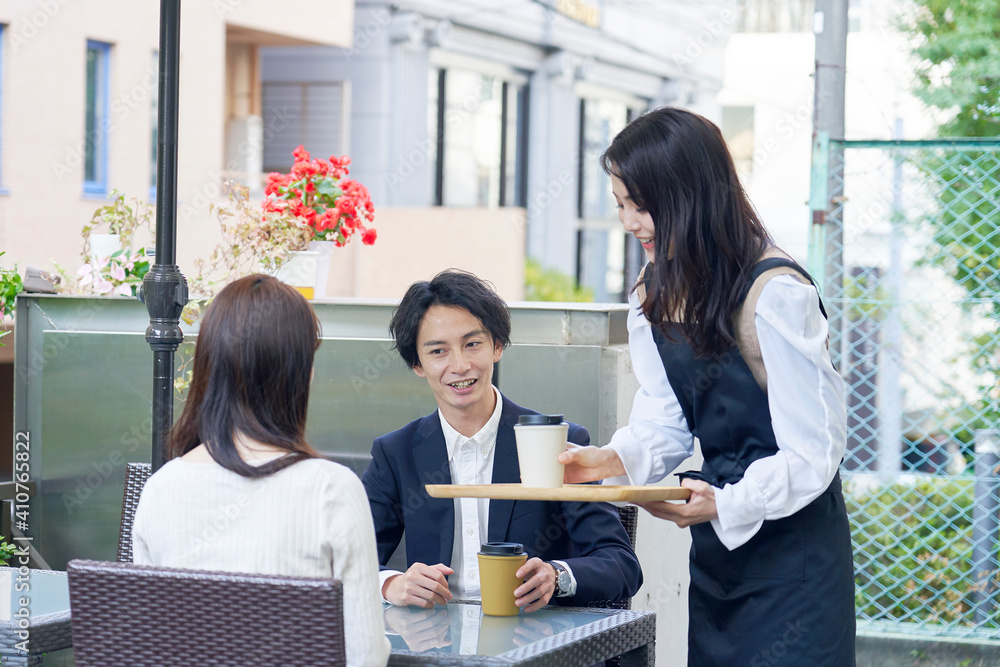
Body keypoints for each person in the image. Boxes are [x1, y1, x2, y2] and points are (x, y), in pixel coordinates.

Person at [559, 107, 856, 665]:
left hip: (796, 562)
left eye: (639, 205)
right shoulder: (656, 292)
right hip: (718, 553)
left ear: (688, 195)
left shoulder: (775, 293)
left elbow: (816, 451)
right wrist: (611, 458)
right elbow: (668, 414)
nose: (629, 223)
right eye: (620, 204)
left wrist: (728, 502)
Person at [132, 274, 390, 667]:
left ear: (208, 369)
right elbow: (365, 656)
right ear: (297, 374)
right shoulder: (331, 490)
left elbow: (149, 646)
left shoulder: (161, 489)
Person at [362, 269, 642, 614]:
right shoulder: (396, 454)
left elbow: (621, 564)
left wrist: (557, 576)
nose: (460, 365)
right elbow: (348, 559)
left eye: (472, 344)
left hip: (538, 645)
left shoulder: (559, 442)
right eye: (438, 351)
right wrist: (392, 583)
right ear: (417, 364)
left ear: (497, 346)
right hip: (435, 646)